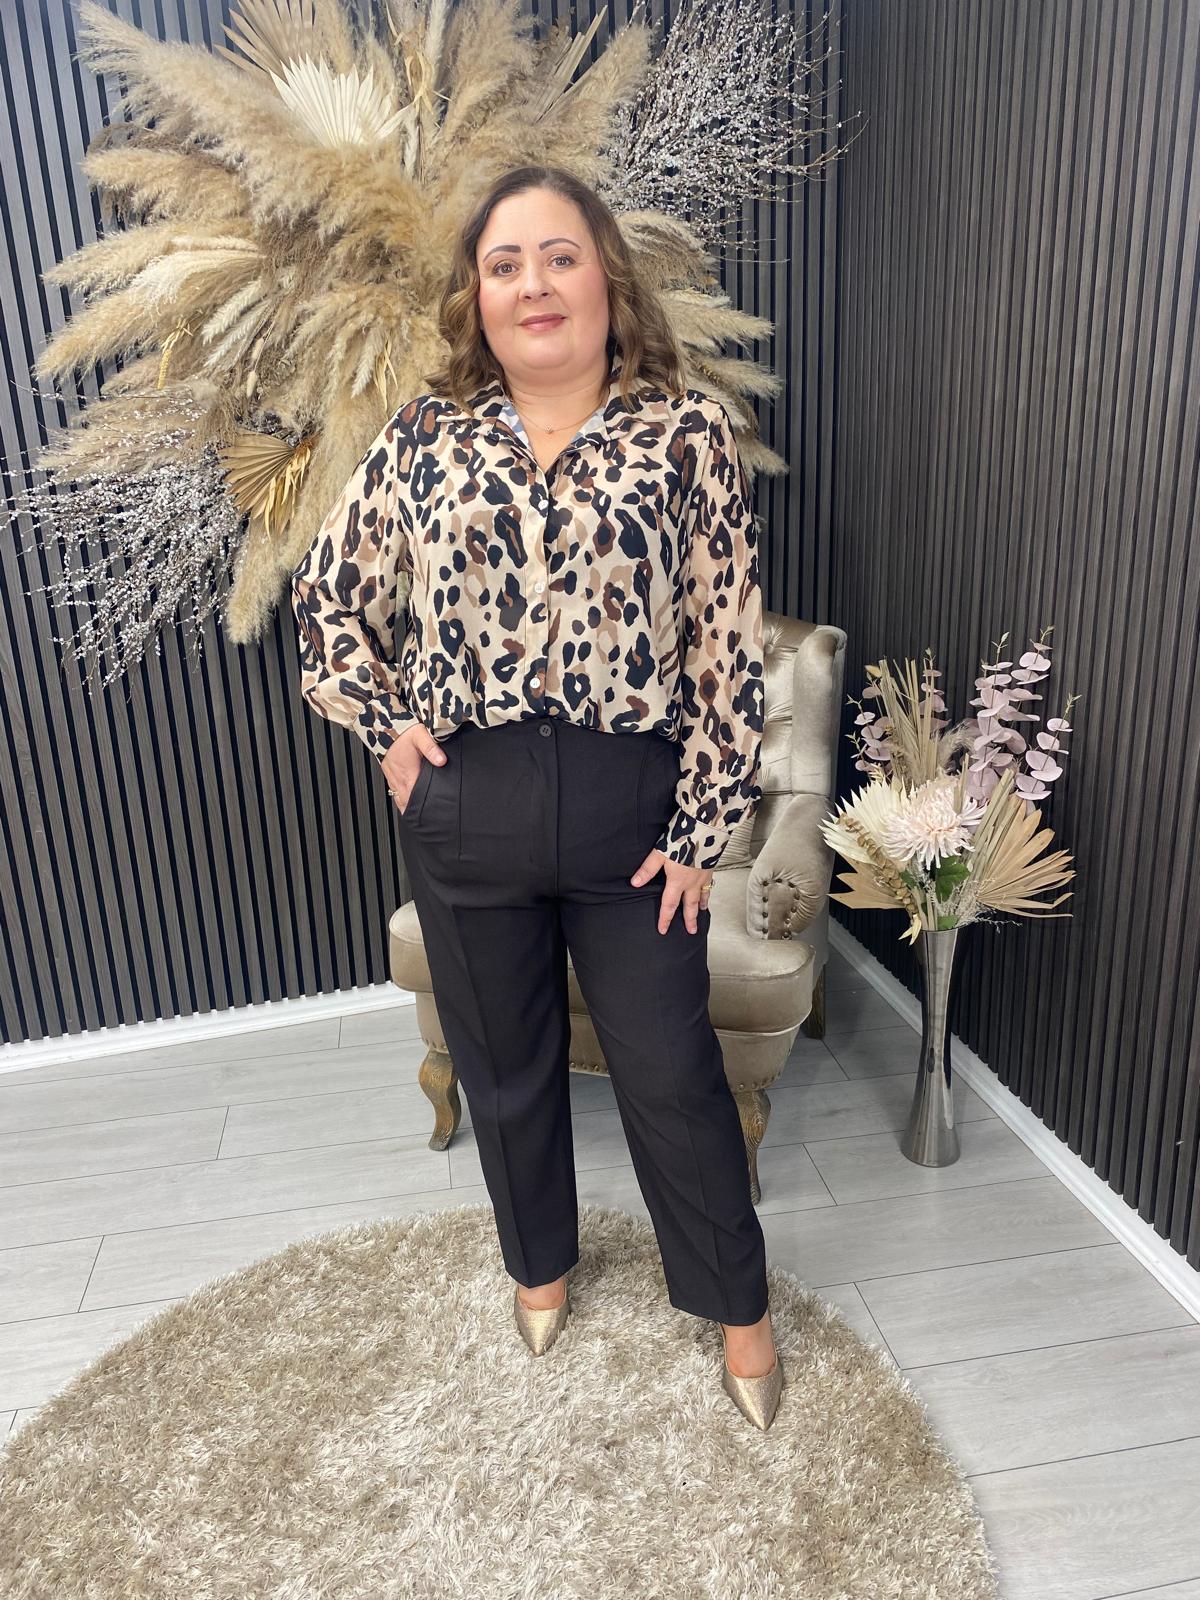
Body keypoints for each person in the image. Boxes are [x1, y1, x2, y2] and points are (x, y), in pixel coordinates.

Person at [290, 163, 783, 1430]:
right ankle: (539, 1268)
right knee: (503, 1065)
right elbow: (328, 595)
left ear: (606, 275)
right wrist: (387, 723)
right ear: (478, 295)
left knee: (670, 1070)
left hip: (634, 810)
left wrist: (702, 829)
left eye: (559, 256)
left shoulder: (686, 435)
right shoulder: (425, 438)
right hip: (472, 800)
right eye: (504, 264)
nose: (533, 284)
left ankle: (739, 1308)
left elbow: (728, 651)